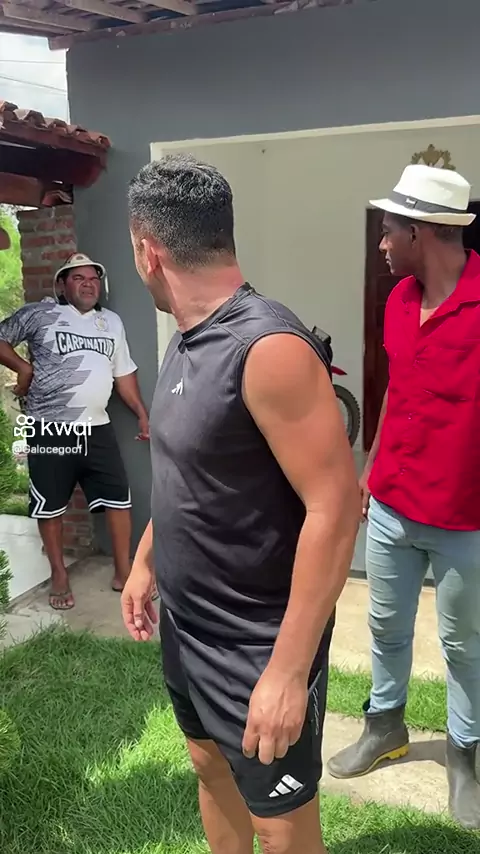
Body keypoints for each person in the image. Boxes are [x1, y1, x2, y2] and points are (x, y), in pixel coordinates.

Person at [121, 154, 360, 854]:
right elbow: (186, 474)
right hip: (188, 626)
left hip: (257, 641)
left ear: (148, 251)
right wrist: (145, 563)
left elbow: (336, 508)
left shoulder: (268, 349)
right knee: (207, 764)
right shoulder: (184, 340)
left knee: (280, 828)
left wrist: (287, 672)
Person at [327, 164, 480, 830]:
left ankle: (464, 759)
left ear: (421, 232)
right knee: (385, 627)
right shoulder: (396, 301)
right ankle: (384, 727)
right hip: (391, 503)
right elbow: (397, 386)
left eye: (390, 230)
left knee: (464, 644)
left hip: (464, 516)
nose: (382, 243)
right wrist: (370, 465)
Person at [0, 252, 150, 610]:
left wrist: (141, 413)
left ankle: (123, 571)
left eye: (93, 278)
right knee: (50, 506)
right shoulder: (40, 314)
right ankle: (59, 574)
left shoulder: (110, 322)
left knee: (119, 498)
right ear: (62, 285)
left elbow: (123, 373)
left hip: (98, 428)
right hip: (50, 428)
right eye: (78, 278)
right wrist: (23, 369)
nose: (88, 284)